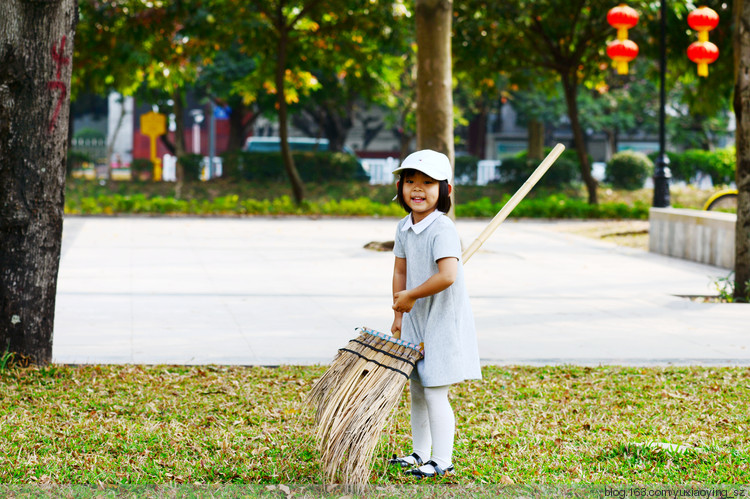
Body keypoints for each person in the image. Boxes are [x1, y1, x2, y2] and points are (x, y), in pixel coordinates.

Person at [387, 149, 482, 478]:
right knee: (416, 388)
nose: (417, 188)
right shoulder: (404, 227)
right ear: (400, 186)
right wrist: (399, 312)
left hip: (442, 321)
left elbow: (447, 276)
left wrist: (411, 295)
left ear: (446, 190)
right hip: (415, 319)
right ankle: (419, 453)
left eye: (428, 182)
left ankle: (442, 461)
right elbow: (400, 271)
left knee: (435, 390)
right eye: (410, 180)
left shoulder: (443, 229)